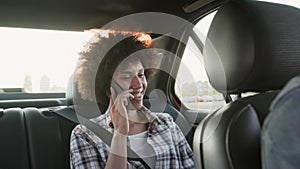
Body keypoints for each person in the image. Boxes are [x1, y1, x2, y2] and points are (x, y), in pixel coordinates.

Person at [69, 30, 195, 169]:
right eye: (127, 76)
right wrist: (120, 133)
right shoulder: (85, 134)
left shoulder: (167, 123)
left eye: (141, 75)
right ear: (107, 85)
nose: (138, 84)